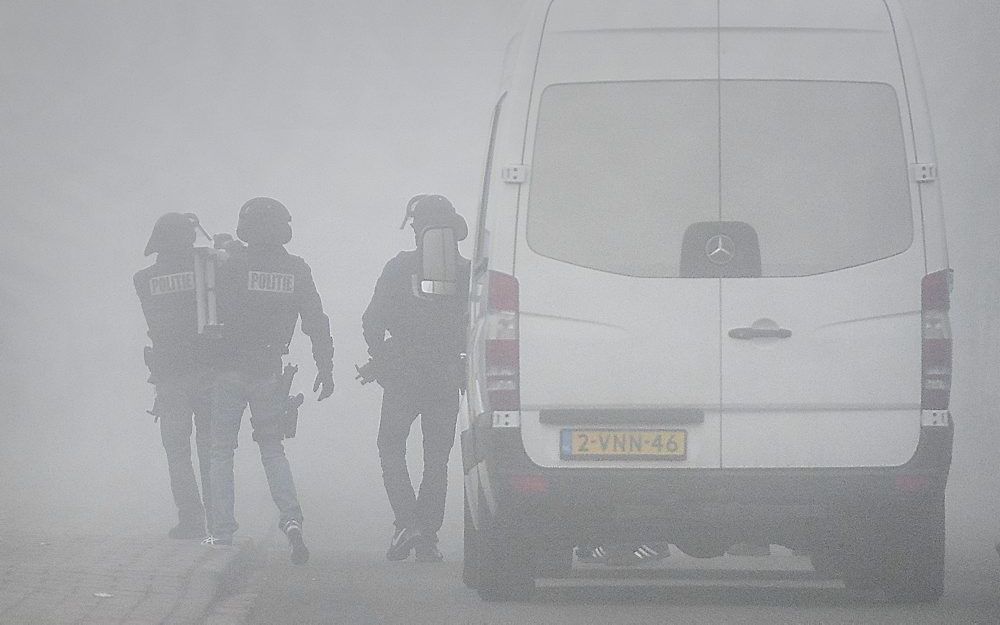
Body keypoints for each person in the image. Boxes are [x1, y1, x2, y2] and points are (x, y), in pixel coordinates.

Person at [207, 197, 335, 565]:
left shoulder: (232, 265)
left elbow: (214, 306)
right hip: (268, 371)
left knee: (220, 451)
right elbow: (316, 321)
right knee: (273, 449)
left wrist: (226, 253)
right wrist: (325, 368)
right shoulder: (296, 270)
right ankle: (292, 521)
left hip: (228, 370)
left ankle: (222, 533)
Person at [362, 194, 470, 562]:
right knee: (436, 459)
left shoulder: (398, 268)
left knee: (390, 447)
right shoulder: (469, 272)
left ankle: (407, 522)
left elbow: (372, 320)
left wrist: (380, 359)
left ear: (417, 229)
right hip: (445, 374)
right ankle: (427, 537)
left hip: (404, 374)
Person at [134, 212, 216, 540]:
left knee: (177, 452)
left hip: (169, 375)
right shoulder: (208, 270)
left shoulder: (143, 279)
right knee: (212, 449)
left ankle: (191, 519)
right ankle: (219, 516)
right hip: (208, 371)